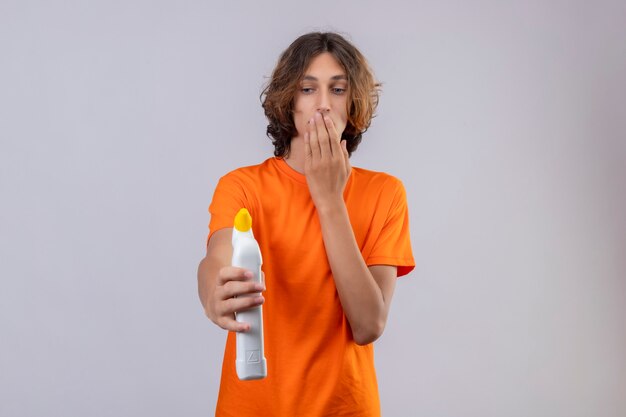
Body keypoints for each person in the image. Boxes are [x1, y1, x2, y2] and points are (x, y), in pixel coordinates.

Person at [197, 31, 415, 417]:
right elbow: (218, 255)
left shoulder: (385, 193)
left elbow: (368, 324)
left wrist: (329, 199)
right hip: (252, 406)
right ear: (288, 101)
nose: (323, 105)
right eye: (307, 88)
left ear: (354, 104)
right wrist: (214, 294)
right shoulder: (242, 186)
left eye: (338, 89)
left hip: (345, 408)